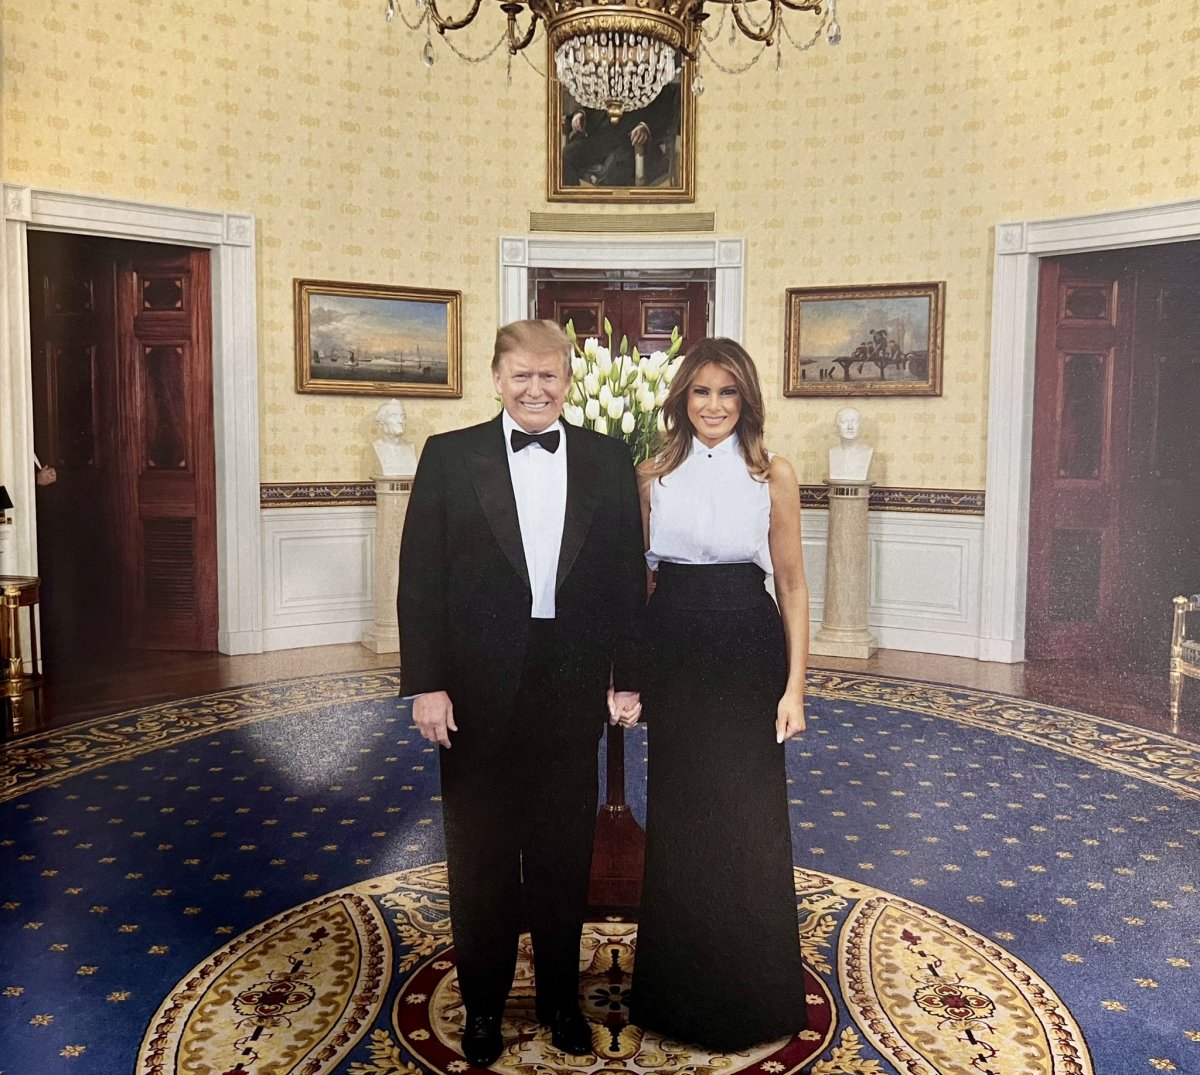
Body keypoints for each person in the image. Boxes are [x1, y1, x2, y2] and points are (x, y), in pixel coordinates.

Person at [397, 319, 646, 1066]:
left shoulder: (607, 457)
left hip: (570, 684)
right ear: (497, 378)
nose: (536, 389)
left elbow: (624, 578)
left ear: (568, 380)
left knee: (562, 855)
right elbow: (420, 579)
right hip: (473, 689)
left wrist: (627, 677)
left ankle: (560, 1003)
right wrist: (427, 685)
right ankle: (482, 1007)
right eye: (521, 375)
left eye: (550, 375)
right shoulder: (449, 455)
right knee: (480, 856)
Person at [625, 337, 811, 1051]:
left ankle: (754, 999)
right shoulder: (651, 475)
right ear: (682, 400)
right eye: (700, 391)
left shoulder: (773, 474)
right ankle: (676, 999)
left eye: (727, 391)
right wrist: (631, 676)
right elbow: (639, 586)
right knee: (682, 816)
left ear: (746, 399)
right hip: (674, 648)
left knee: (747, 817)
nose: (713, 405)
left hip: (747, 649)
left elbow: (791, 584)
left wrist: (795, 687)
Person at [561, 81, 680, 188]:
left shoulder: (655, 71)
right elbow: (593, 99)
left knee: (612, 177)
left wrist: (646, 127)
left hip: (630, 143)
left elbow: (665, 107)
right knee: (563, 159)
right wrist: (580, 113)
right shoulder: (605, 69)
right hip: (598, 138)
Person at [372, 399, 418, 476]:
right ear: (380, 424)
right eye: (394, 416)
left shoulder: (411, 447)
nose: (400, 421)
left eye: (403, 417)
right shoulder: (376, 447)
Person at [828, 405, 873, 481]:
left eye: (854, 422)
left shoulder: (868, 452)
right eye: (844, 422)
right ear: (836, 426)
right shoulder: (832, 452)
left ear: (860, 425)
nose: (850, 427)